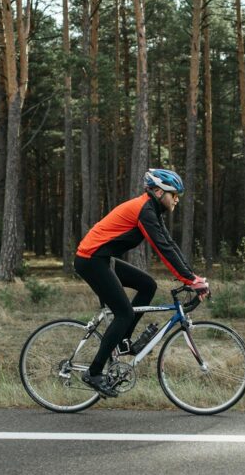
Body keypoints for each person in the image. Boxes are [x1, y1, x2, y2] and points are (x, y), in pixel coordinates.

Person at [74, 168, 209, 398]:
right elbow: (162, 249)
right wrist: (189, 279)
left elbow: (170, 243)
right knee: (123, 313)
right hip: (90, 259)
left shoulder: (151, 210)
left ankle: (123, 341)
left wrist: (191, 276)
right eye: (174, 194)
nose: (177, 199)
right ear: (158, 191)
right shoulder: (144, 210)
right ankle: (94, 373)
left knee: (148, 285)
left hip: (102, 258)